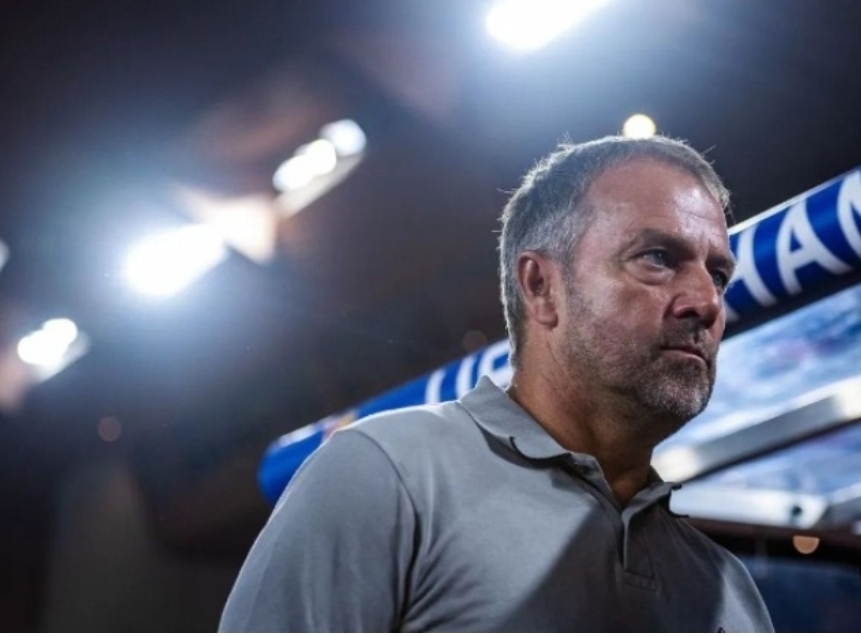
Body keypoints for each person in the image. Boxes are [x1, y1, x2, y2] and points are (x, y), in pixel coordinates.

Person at [220, 136, 774, 632]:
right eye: (658, 258)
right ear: (541, 287)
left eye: (718, 274)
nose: (707, 303)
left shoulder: (731, 597)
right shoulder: (388, 474)